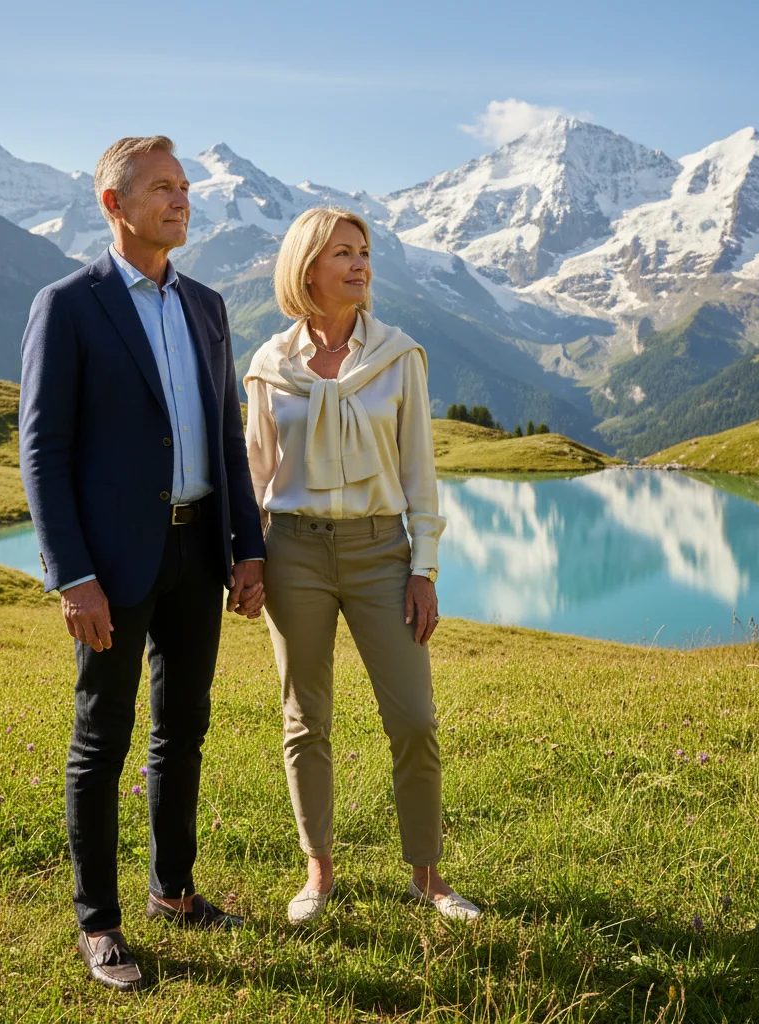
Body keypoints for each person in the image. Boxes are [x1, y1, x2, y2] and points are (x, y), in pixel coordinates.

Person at [19, 135, 266, 992]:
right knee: (102, 738)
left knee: (183, 728)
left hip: (199, 549)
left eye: (184, 185)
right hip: (112, 564)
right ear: (114, 204)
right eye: (162, 187)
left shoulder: (207, 305)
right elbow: (43, 450)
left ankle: (174, 891)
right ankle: (99, 923)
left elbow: (228, 434)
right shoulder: (68, 304)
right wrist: (71, 574)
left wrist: (248, 549)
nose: (181, 199)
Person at [244, 207, 481, 925]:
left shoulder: (399, 357)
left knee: (413, 718)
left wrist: (424, 568)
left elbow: (420, 472)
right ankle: (318, 871)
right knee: (304, 719)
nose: (360, 265)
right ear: (307, 267)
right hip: (293, 552)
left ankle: (428, 877)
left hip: (382, 552)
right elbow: (255, 474)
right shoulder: (269, 366)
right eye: (343, 253)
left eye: (364, 252)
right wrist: (248, 557)